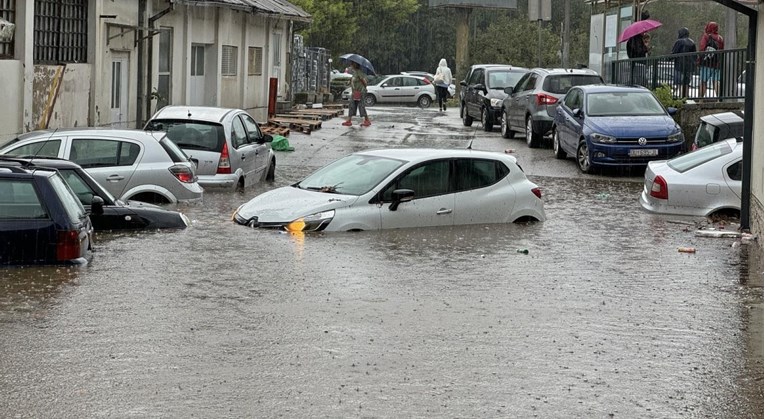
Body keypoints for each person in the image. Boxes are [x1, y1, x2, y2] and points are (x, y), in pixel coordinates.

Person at [697, 21, 724, 100]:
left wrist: (699, 59)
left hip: (706, 63)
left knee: (703, 81)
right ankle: (719, 99)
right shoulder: (720, 38)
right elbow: (722, 50)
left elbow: (702, 48)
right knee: (716, 81)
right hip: (717, 63)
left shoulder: (706, 36)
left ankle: (700, 100)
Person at [342, 61, 371, 127]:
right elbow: (353, 81)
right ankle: (349, 121)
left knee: (361, 106)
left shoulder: (359, 72)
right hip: (355, 92)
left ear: (355, 65)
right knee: (352, 105)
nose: (351, 65)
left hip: (360, 92)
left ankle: (367, 120)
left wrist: (362, 88)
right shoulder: (354, 73)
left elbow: (365, 82)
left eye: (352, 64)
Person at [670, 27, 696, 99]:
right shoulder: (692, 42)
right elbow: (695, 55)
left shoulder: (679, 42)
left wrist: (669, 58)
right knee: (686, 82)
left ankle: (681, 97)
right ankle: (686, 96)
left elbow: (674, 53)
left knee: (679, 82)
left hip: (679, 65)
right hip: (689, 66)